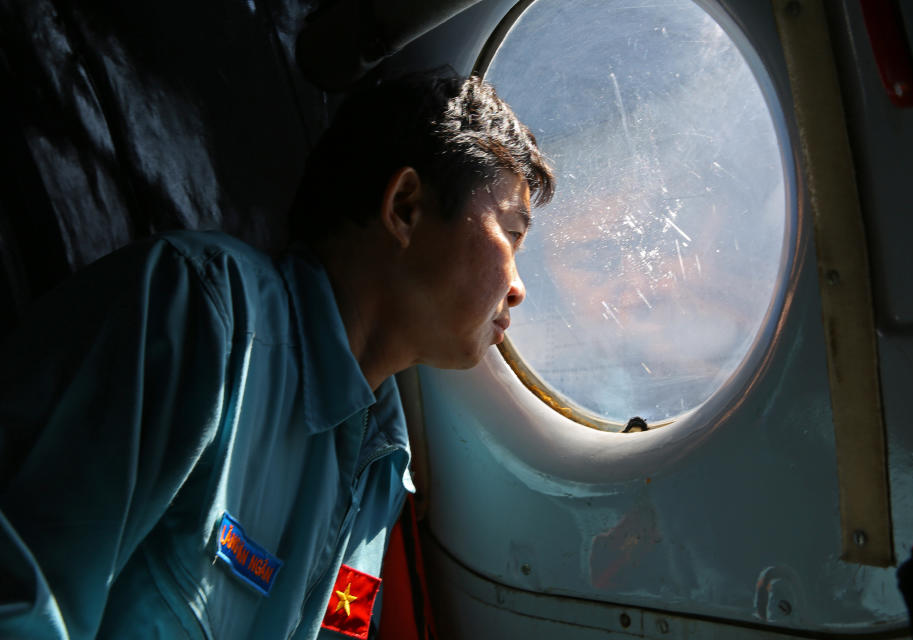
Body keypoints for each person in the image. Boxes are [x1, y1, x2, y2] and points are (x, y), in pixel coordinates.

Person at [0, 71, 554, 639]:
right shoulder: (200, 315)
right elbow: (22, 600)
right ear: (406, 207)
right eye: (510, 233)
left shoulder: (384, 468)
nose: (518, 288)